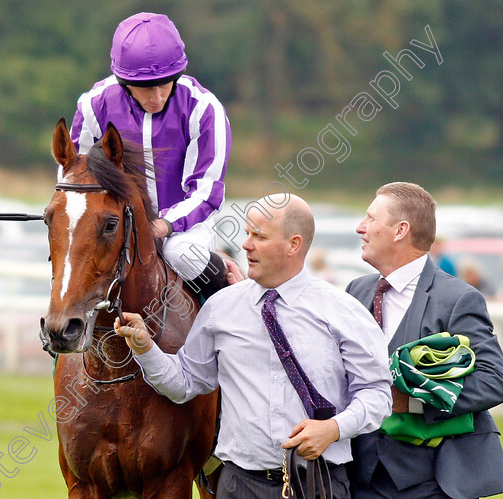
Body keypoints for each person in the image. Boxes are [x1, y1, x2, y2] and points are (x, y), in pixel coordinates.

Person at [115, 194, 392, 498]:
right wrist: (144, 348)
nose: (246, 244)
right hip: (238, 486)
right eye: (247, 233)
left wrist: (334, 429)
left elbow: (377, 396)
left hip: (317, 482)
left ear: (293, 245)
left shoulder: (345, 311)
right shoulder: (220, 307)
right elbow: (184, 383)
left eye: (258, 236)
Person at [346, 182, 503, 498]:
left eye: (370, 219)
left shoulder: (458, 299)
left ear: (400, 231)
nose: (360, 228)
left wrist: (412, 402)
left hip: (432, 481)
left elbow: (494, 381)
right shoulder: (357, 290)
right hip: (359, 476)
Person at [68, 12, 232, 300]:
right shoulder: (93, 105)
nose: (156, 98)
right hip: (116, 221)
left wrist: (162, 225)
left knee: (180, 253)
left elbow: (206, 193)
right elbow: (74, 176)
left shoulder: (204, 109)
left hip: (184, 226)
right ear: (123, 81)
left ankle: (231, 297)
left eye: (165, 85)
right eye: (146, 88)